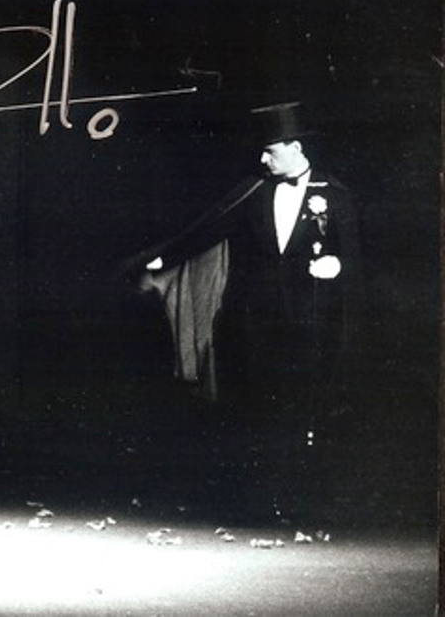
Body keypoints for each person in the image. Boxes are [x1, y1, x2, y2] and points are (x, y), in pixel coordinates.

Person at [137, 102, 361, 525]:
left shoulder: (335, 195)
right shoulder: (254, 190)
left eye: (270, 151)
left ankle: (298, 502)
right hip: (255, 320)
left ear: (295, 148)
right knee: (257, 407)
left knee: (301, 407)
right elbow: (208, 229)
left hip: (309, 322)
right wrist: (160, 260)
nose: (263, 159)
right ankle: (259, 504)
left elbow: (352, 263)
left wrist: (336, 268)